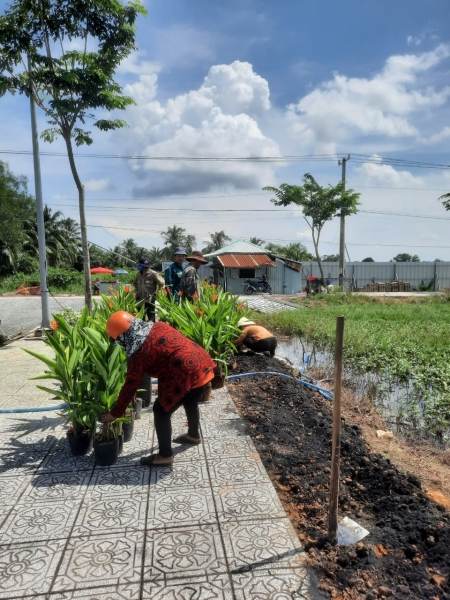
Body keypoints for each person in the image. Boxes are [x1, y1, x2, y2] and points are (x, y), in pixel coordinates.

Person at [101, 311, 216, 466]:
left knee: (161, 411)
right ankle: (193, 435)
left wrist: (115, 413)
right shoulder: (157, 325)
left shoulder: (138, 351)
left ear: (122, 336)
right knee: (190, 399)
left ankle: (165, 456)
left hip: (185, 372)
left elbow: (131, 385)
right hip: (201, 364)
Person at [134, 258, 164, 322]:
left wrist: (158, 293)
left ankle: (152, 330)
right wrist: (136, 291)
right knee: (140, 318)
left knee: (151, 318)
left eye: (139, 265)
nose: (138, 266)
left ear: (144, 266)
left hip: (149, 300)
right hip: (140, 299)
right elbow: (135, 283)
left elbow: (162, 283)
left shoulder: (153, 274)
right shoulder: (138, 274)